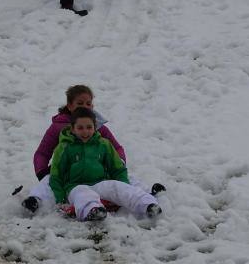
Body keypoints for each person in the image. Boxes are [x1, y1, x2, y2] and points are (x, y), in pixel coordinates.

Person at [22, 84, 165, 214]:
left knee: (123, 177)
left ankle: (147, 193)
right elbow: (43, 151)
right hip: (69, 174)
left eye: (88, 103)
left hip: (98, 173)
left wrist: (119, 161)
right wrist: (41, 170)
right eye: (79, 103)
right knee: (50, 180)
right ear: (70, 105)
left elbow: (115, 148)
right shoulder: (58, 128)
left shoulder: (97, 126)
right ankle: (36, 200)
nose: (84, 106)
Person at [48, 108, 161, 221]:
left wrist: (122, 186)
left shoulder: (103, 144)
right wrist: (61, 199)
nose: (85, 132)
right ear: (72, 129)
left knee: (117, 187)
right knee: (82, 194)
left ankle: (148, 205)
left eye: (89, 127)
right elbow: (56, 176)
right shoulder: (64, 148)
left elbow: (117, 169)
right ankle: (93, 211)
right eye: (80, 128)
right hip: (75, 186)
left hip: (100, 183)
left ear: (95, 126)